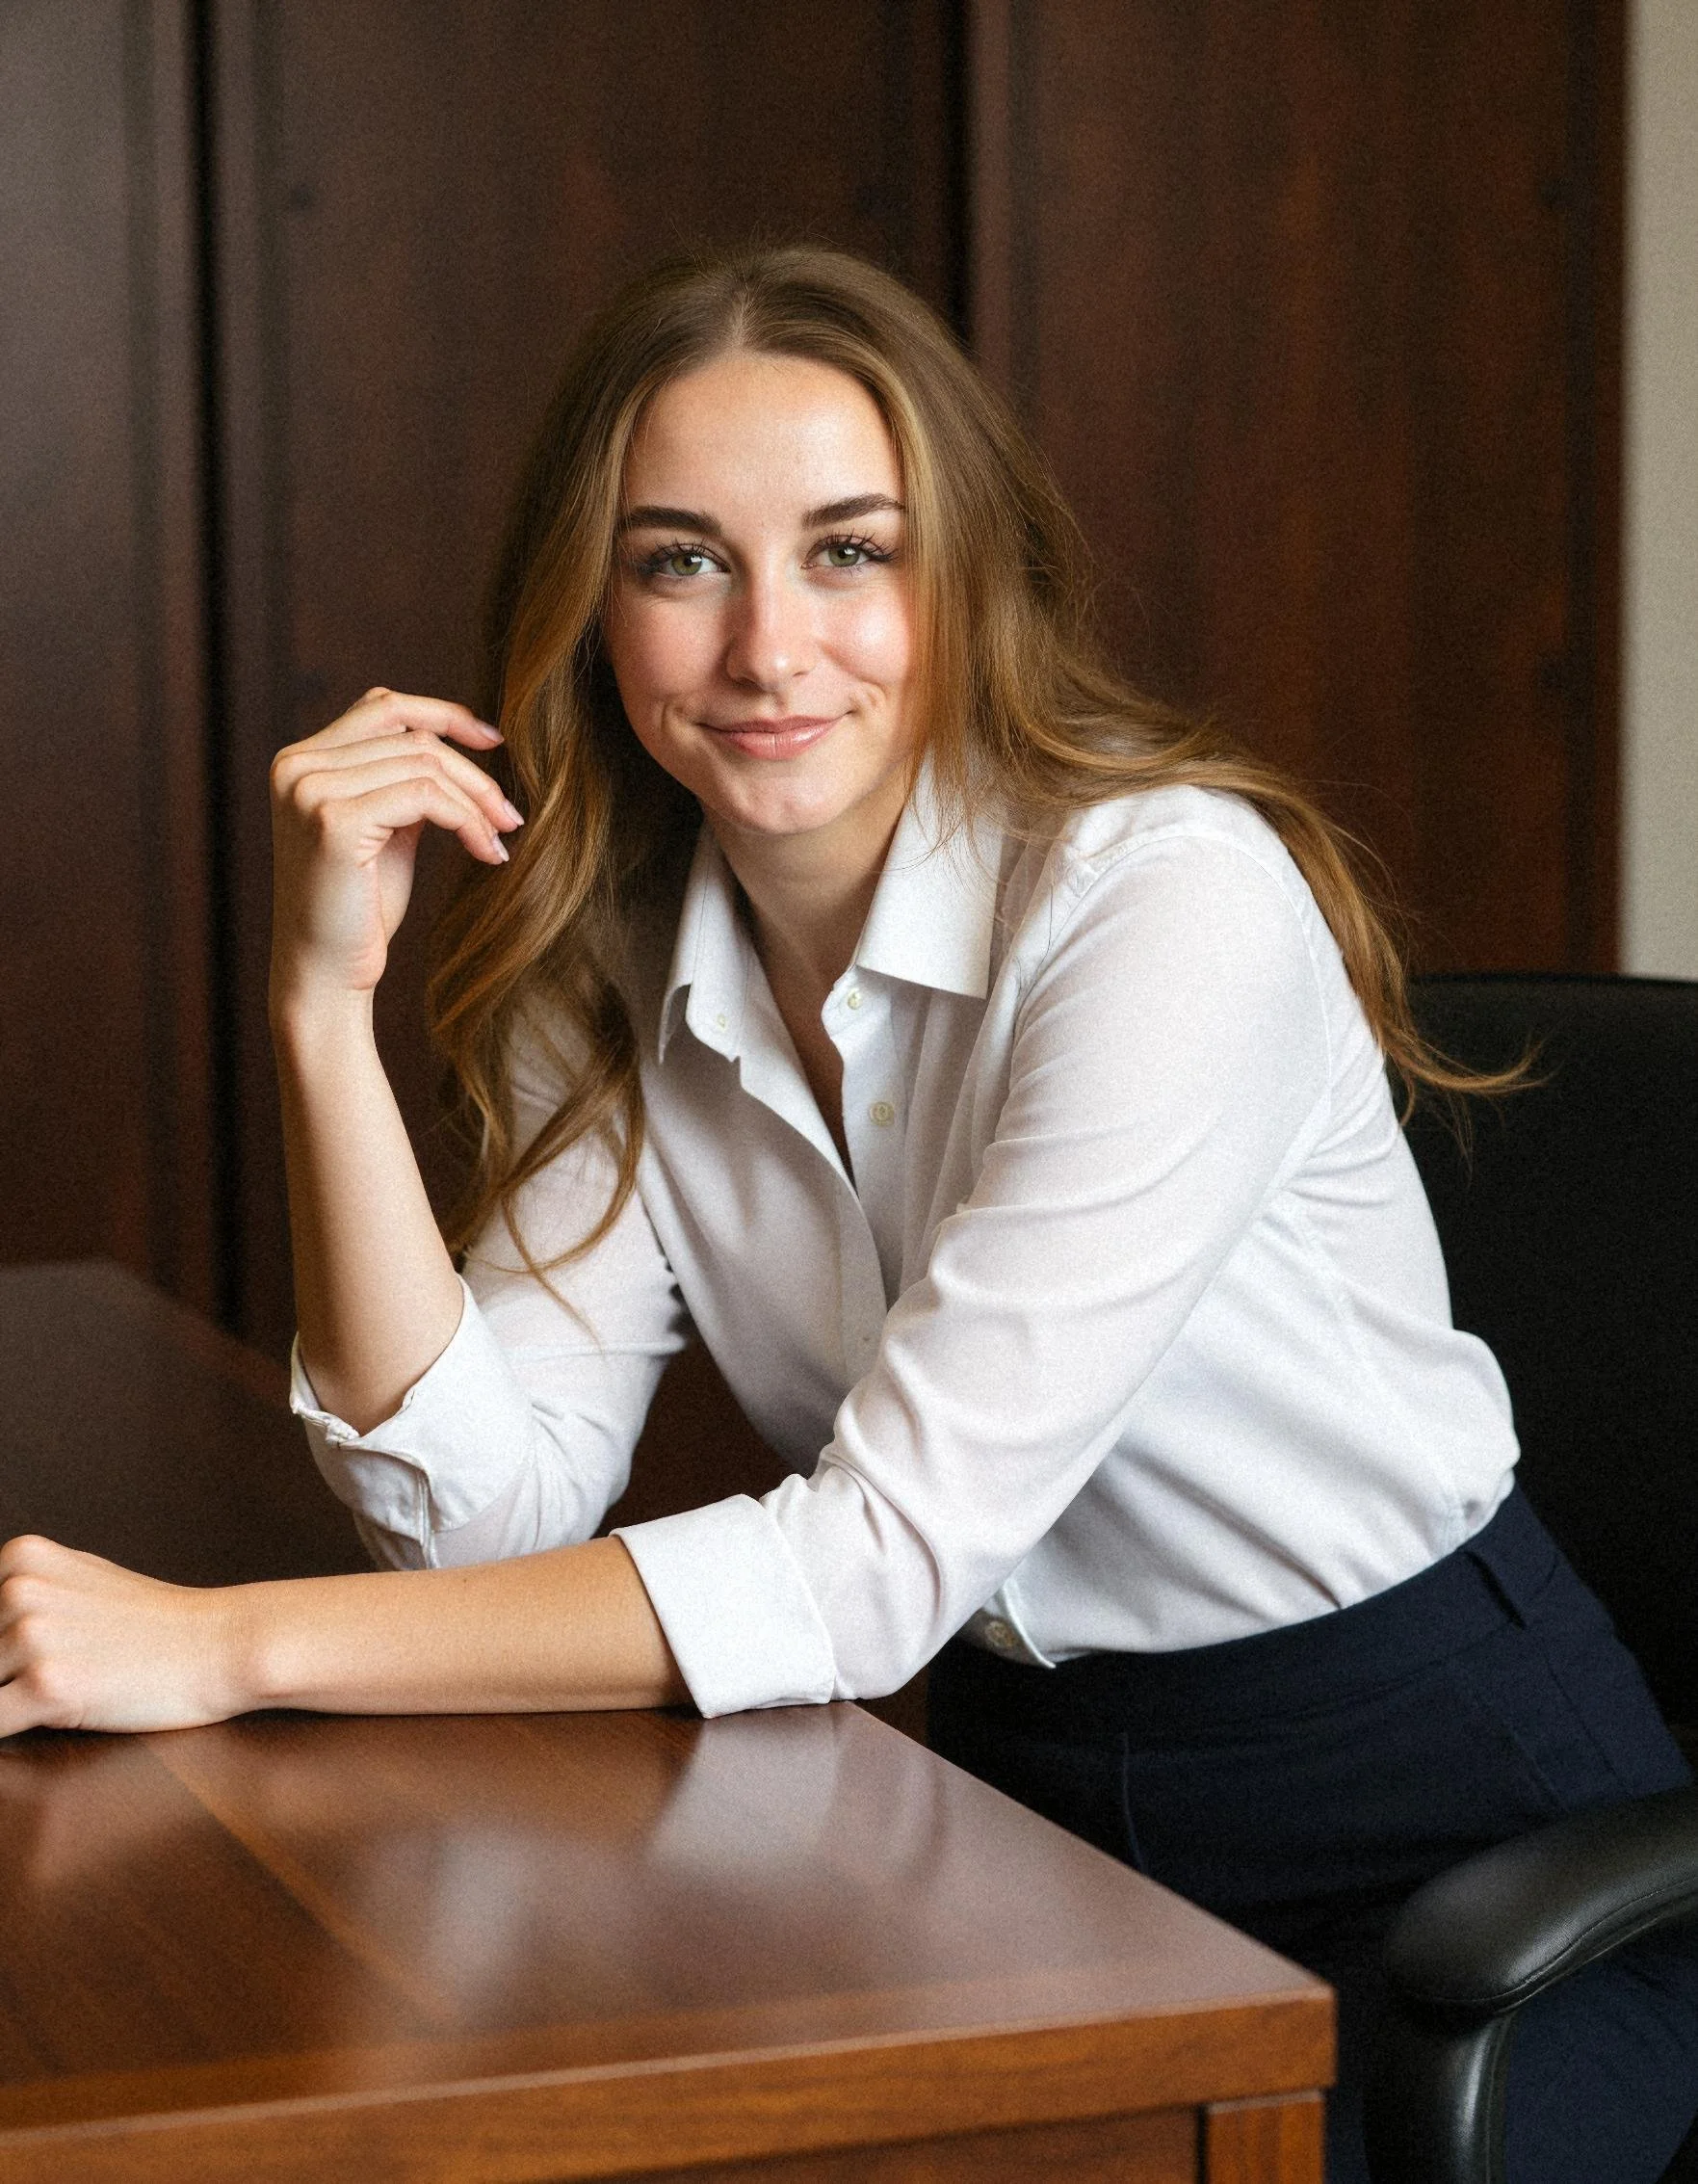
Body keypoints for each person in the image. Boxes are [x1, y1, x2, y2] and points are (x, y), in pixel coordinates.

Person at [0, 247, 1692, 2179]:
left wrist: (218, 1646)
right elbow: (468, 1511)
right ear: (595, 610)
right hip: (1015, 1815)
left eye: (844, 551)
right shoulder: (623, 952)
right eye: (681, 561)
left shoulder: (1164, 903)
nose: (767, 652)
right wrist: (318, 1005)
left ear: (958, 575)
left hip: (1454, 1837)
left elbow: (872, 1559)